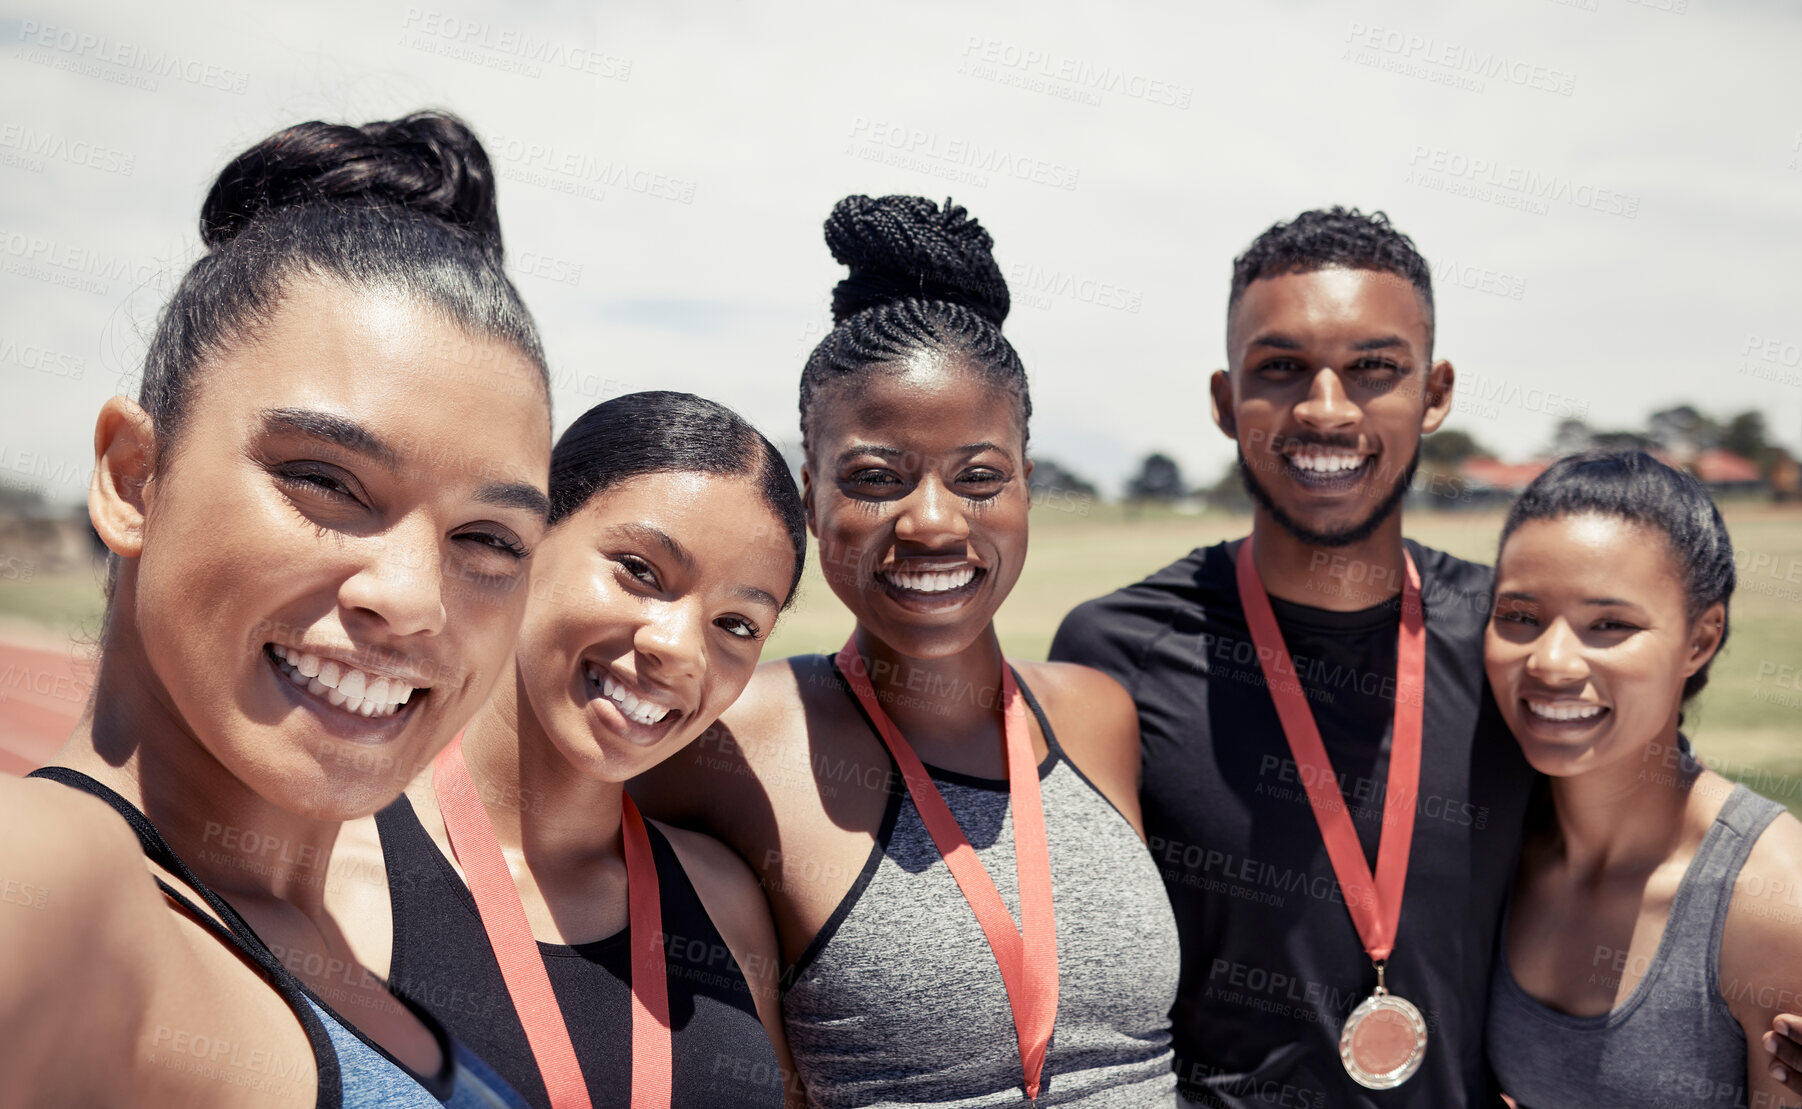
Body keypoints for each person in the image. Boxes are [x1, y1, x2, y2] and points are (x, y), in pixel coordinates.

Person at [0, 111, 553, 1107]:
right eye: (327, 481)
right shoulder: (49, 883)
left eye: (487, 540)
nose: (413, 600)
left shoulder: (347, 930)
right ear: (134, 478)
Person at [633, 194, 1180, 1106]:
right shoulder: (732, 740)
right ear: (811, 496)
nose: (932, 520)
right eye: (877, 478)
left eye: (978, 477)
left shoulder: (1098, 715)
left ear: (1026, 489)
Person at [1050, 207, 1537, 1107]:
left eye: (1373, 369)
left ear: (1434, 392)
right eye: (1280, 369)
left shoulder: (1514, 636)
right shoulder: (1114, 653)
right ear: (1225, 399)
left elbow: (1656, 850)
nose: (1325, 406)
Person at [325, 391, 809, 1108]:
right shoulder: (334, 886)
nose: (677, 647)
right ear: (526, 535)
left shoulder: (726, 902)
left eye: (737, 623)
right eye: (640, 571)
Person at [1482, 450, 1802, 1109]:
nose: (1551, 660)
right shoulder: (1493, 842)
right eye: (1520, 616)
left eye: (1610, 624)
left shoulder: (1769, 900)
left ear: (1700, 638)